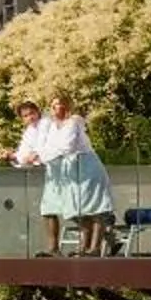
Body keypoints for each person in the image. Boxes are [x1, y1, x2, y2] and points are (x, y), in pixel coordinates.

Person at [36, 92, 115, 255]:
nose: (54, 108)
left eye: (58, 103)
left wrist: (41, 156)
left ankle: (95, 248)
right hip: (69, 168)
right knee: (77, 208)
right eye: (52, 105)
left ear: (67, 105)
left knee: (94, 206)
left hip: (86, 165)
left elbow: (67, 146)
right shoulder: (50, 127)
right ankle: (75, 247)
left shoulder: (74, 122)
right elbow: (44, 147)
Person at [9, 99, 56, 255]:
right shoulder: (29, 132)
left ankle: (103, 237)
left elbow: (53, 147)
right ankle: (53, 249)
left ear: (38, 112)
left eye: (32, 113)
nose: (30, 118)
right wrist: (13, 156)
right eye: (26, 116)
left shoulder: (49, 124)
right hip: (48, 175)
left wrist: (36, 155)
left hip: (62, 171)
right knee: (48, 209)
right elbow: (24, 154)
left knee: (74, 209)